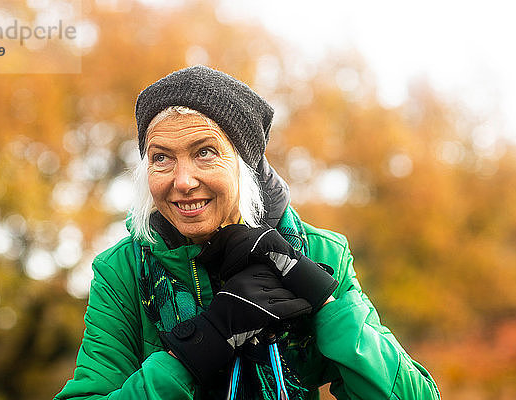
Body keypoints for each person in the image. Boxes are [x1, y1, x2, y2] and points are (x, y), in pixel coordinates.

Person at [55, 65, 441, 400]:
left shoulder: (322, 253)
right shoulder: (122, 270)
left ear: (246, 165)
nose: (183, 181)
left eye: (205, 152)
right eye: (161, 157)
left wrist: (326, 302)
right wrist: (198, 346)